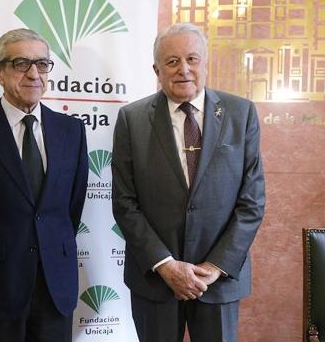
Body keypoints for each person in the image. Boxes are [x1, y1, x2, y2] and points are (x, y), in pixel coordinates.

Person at [112, 22, 265, 342]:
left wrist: (215, 266)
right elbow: (125, 203)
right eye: (172, 61)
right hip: (155, 279)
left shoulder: (241, 113)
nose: (184, 69)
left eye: (193, 59)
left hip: (219, 280)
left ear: (206, 62)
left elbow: (251, 201)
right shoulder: (132, 119)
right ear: (157, 69)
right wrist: (165, 265)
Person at [0, 28, 88, 342]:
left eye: (42, 64)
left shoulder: (72, 131)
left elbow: (71, 208)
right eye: (21, 63)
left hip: (54, 289)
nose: (34, 73)